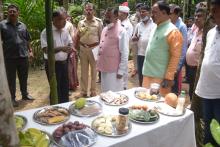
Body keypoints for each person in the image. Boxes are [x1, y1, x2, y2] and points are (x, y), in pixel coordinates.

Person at [142, 1, 183, 96]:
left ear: (164, 12)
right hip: (148, 74)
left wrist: (169, 77)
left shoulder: (173, 31)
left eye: (155, 12)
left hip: (160, 78)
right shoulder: (155, 28)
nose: (152, 15)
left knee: (157, 107)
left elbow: (175, 56)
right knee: (145, 102)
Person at [195, 0, 220, 145]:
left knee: (219, 131)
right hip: (206, 90)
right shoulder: (211, 32)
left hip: (218, 93)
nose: (212, 14)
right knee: (208, 129)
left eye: (216, 10)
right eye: (211, 10)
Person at [0, 4, 34, 107]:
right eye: (10, 11)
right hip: (9, 57)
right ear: (7, 13)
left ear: (18, 13)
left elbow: (27, 39)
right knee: (11, 79)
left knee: (24, 77)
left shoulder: (23, 25)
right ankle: (12, 98)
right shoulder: (2, 25)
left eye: (14, 11)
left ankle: (25, 94)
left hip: (23, 56)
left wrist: (31, 51)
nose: (12, 13)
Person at [41, 8, 73, 103]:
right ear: (54, 19)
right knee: (55, 88)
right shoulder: (46, 32)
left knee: (64, 87)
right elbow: (46, 50)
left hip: (64, 63)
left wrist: (71, 48)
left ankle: (65, 108)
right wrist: (61, 48)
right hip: (52, 65)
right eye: (62, 19)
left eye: (65, 19)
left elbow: (70, 42)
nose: (64, 22)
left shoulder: (65, 31)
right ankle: (55, 110)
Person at [97, 7, 129, 92]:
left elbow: (125, 52)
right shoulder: (105, 29)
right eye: (105, 16)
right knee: (105, 92)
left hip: (114, 71)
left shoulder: (122, 31)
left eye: (109, 17)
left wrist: (121, 71)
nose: (106, 19)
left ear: (116, 17)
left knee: (114, 94)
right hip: (104, 67)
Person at [76, 2, 103, 97]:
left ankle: (93, 91)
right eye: (87, 9)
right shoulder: (80, 23)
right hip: (83, 49)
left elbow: (101, 37)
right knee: (83, 72)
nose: (88, 11)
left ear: (94, 11)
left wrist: (100, 51)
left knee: (94, 72)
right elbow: (78, 36)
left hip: (94, 48)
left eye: (90, 9)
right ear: (84, 10)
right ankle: (83, 92)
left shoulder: (98, 22)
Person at [132, 5, 156, 86]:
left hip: (151, 55)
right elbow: (133, 38)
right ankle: (141, 90)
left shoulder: (154, 25)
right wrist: (135, 38)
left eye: (143, 12)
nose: (141, 14)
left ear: (149, 13)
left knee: (150, 75)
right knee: (141, 75)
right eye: (140, 12)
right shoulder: (138, 25)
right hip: (140, 54)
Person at [186, 8, 206, 100]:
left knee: (198, 94)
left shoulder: (207, 33)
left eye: (199, 16)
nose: (196, 18)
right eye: (195, 16)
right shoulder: (196, 30)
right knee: (191, 91)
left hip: (199, 70)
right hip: (190, 68)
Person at [169, 4, 188, 95]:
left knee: (174, 89)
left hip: (175, 64)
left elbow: (183, 49)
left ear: (177, 14)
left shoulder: (181, 27)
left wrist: (177, 67)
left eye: (170, 13)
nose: (168, 15)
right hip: (167, 62)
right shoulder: (169, 25)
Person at [118, 2, 133, 90]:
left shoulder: (128, 26)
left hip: (124, 50)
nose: (118, 14)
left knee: (123, 70)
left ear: (125, 14)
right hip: (117, 51)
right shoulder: (119, 22)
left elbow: (126, 41)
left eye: (120, 12)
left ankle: (124, 87)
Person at [129, 3, 143, 77]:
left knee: (142, 53)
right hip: (134, 39)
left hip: (142, 39)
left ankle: (142, 69)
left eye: (140, 9)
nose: (139, 11)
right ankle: (136, 69)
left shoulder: (144, 17)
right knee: (135, 55)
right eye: (137, 9)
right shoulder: (131, 18)